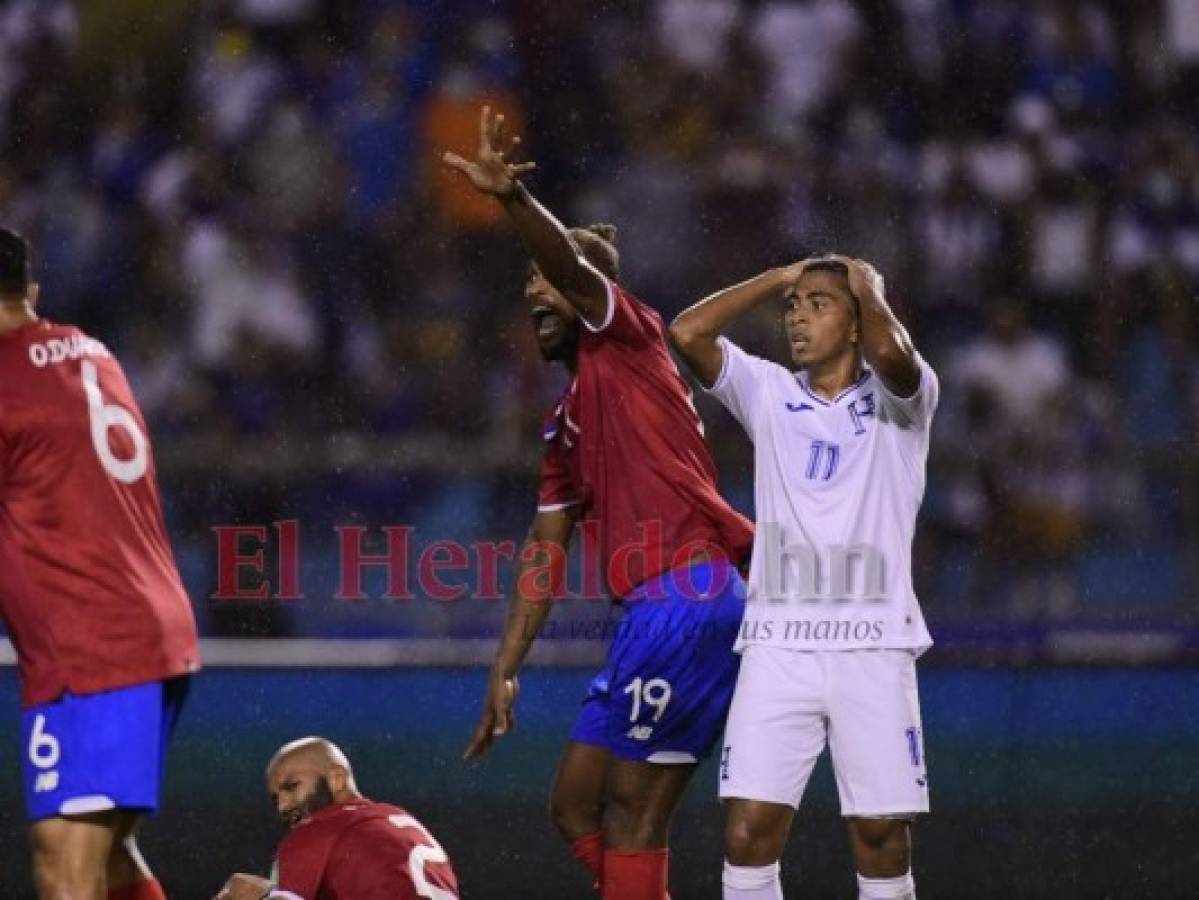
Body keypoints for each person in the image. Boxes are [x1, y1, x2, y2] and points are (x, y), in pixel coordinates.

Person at [444, 107, 754, 900]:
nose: (533, 297)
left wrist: (511, 203)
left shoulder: (631, 336)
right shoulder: (566, 421)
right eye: (526, 288)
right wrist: (504, 670)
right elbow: (544, 551)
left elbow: (576, 273)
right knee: (575, 804)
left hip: (688, 592)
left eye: (543, 282)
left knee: (629, 814)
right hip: (645, 615)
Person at [670, 256, 938, 900]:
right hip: (778, 644)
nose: (798, 317)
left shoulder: (907, 399)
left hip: (873, 644)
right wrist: (775, 279)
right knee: (747, 833)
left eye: (819, 304)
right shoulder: (769, 391)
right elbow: (687, 334)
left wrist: (868, 285)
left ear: (855, 323)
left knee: (879, 833)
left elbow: (891, 353)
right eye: (794, 307)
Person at [0, 227, 200, 900]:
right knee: (88, 857)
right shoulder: (90, 351)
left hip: (100, 644)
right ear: (30, 291)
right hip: (105, 640)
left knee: (71, 876)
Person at [215, 737, 460, 900]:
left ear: (337, 779)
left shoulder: (318, 828)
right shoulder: (401, 821)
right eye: (275, 798)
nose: (282, 806)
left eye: (291, 787)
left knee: (244, 890)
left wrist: (262, 896)